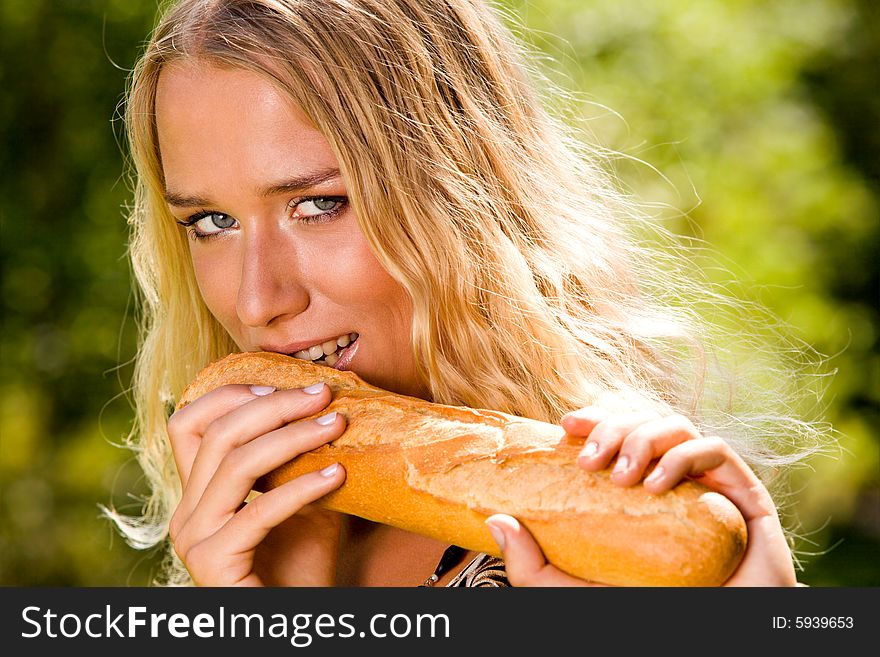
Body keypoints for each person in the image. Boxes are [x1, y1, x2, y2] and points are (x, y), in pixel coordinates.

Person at [107, 0, 830, 587]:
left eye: (319, 205)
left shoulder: (634, 519)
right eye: (212, 221)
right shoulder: (235, 550)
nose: (257, 298)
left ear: (457, 200)